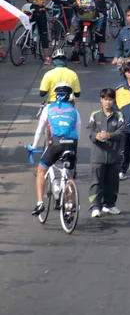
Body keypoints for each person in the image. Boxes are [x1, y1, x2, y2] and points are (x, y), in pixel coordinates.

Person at [28, 83, 81, 217]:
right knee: (69, 176)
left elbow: (40, 130)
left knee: (41, 170)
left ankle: (40, 202)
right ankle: (69, 208)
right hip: (71, 144)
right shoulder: (74, 111)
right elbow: (78, 133)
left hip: (56, 143)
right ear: (69, 97)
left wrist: (34, 146)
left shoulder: (49, 108)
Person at [88, 88, 125, 218]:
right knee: (96, 182)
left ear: (113, 100)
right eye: (105, 99)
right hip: (98, 156)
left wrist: (110, 135)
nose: (107, 102)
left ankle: (110, 205)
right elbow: (89, 132)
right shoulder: (95, 115)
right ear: (101, 100)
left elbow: (121, 132)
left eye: (110, 99)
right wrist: (96, 136)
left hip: (114, 156)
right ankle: (95, 206)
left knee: (112, 182)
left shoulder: (118, 116)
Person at [25, 0, 60, 64]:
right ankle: (46, 58)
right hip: (40, 11)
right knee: (44, 33)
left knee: (28, 29)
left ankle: (23, 50)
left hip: (29, 9)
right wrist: (62, 2)